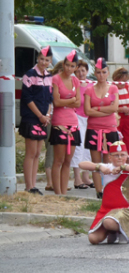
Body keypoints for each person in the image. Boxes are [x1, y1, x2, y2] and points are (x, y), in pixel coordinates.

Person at [79, 141, 129, 244]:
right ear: (110, 157)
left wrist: (123, 167)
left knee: (108, 222)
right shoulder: (107, 167)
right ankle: (111, 232)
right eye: (116, 155)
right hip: (105, 210)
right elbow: (81, 164)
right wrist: (100, 167)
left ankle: (116, 230)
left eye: (122, 155)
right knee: (93, 239)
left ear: (127, 156)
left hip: (123, 210)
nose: (119, 158)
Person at [84, 58, 121, 199]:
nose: (101, 75)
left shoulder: (113, 88)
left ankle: (108, 189)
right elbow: (87, 111)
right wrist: (105, 111)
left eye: (103, 72)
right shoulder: (89, 89)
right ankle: (99, 191)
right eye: (98, 72)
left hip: (110, 129)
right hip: (94, 128)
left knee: (108, 161)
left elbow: (114, 107)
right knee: (96, 162)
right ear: (95, 73)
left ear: (108, 73)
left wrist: (97, 108)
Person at [20, 46, 53, 195]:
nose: (44, 62)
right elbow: (27, 98)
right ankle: (28, 186)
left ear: (50, 61)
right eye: (41, 59)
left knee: (38, 152)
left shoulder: (49, 76)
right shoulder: (29, 75)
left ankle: (33, 185)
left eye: (47, 60)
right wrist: (40, 115)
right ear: (37, 59)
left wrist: (47, 115)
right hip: (31, 118)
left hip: (43, 119)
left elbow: (50, 99)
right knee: (31, 152)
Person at [50, 50, 82, 195]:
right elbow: (56, 102)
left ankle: (64, 193)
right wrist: (70, 101)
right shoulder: (56, 79)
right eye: (67, 65)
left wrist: (66, 102)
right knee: (58, 160)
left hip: (73, 122)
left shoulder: (75, 80)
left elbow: (79, 103)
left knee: (68, 161)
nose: (69, 68)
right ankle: (58, 193)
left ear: (76, 67)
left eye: (72, 66)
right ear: (63, 64)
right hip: (59, 122)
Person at [72, 61, 94, 189]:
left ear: (87, 71)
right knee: (78, 147)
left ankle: (86, 176)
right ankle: (77, 178)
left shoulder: (92, 84)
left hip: (90, 118)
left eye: (83, 70)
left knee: (88, 148)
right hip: (77, 117)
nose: (81, 73)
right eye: (78, 71)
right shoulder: (74, 84)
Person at [112, 68, 129, 156]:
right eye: (122, 81)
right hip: (116, 118)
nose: (124, 83)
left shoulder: (127, 86)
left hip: (127, 118)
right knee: (117, 141)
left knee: (128, 141)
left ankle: (127, 163)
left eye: (125, 81)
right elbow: (110, 106)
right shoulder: (112, 88)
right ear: (116, 78)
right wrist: (121, 109)